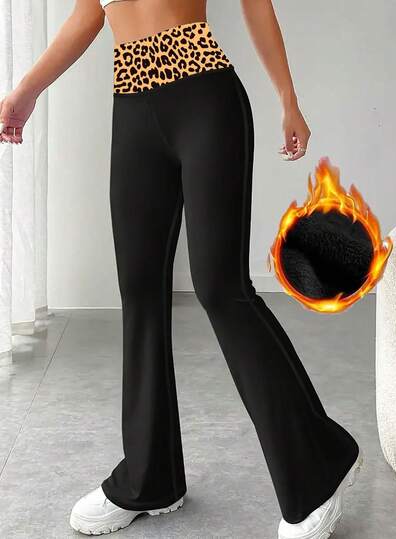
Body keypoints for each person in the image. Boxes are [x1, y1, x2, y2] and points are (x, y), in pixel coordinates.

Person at [0, 1, 362, 537]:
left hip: (204, 96)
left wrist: (288, 99)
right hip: (132, 108)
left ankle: (318, 467)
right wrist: (26, 91)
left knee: (222, 288)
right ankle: (151, 479)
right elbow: (89, 13)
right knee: (139, 291)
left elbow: (255, 2)